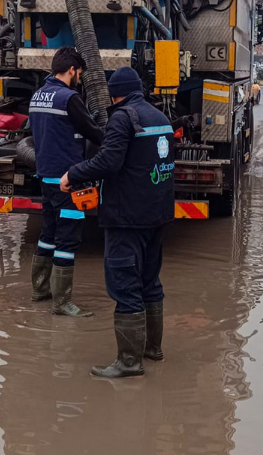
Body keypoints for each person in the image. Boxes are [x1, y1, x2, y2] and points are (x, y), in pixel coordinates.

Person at [61, 67, 174, 378]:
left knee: (124, 284)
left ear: (114, 93)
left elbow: (109, 161)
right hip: (158, 214)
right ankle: (152, 349)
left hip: (127, 217)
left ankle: (128, 362)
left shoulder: (123, 118)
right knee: (150, 281)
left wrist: (74, 174)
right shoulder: (160, 118)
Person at [28, 47, 103, 317]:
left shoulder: (38, 96)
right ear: (72, 70)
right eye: (79, 73)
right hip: (68, 181)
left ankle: (40, 290)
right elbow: (92, 131)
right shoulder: (69, 98)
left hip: (46, 178)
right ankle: (62, 303)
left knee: (48, 234)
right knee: (68, 239)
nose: (79, 78)